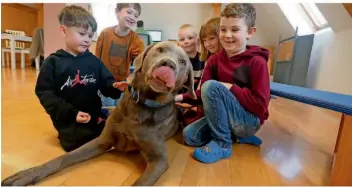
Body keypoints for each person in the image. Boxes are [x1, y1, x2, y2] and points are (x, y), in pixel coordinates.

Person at [175, 3, 271, 164]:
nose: (227, 35)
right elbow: (201, 94)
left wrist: (230, 87)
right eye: (223, 29)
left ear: (250, 32)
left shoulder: (257, 62)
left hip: (248, 121)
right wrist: (176, 98)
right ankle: (236, 137)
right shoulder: (214, 60)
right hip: (225, 117)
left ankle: (223, 143)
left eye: (235, 30)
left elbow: (261, 106)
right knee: (189, 136)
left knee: (211, 86)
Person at [35, 5, 123, 152]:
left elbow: (106, 82)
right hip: (70, 121)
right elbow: (45, 94)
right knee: (76, 146)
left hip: (95, 116)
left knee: (113, 135)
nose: (87, 40)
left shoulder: (94, 61)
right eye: (82, 34)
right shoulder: (53, 63)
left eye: (90, 36)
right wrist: (72, 113)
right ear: (64, 30)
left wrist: (114, 87)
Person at [95, 3, 144, 107]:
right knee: (107, 111)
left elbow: (141, 63)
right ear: (117, 12)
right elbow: (96, 60)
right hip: (105, 83)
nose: (132, 17)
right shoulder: (105, 34)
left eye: (136, 15)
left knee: (120, 111)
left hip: (123, 84)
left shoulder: (136, 41)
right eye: (129, 12)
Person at [177, 24, 203, 92]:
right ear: (178, 44)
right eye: (182, 39)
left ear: (198, 41)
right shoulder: (177, 61)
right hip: (178, 97)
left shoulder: (203, 59)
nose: (186, 41)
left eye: (190, 38)